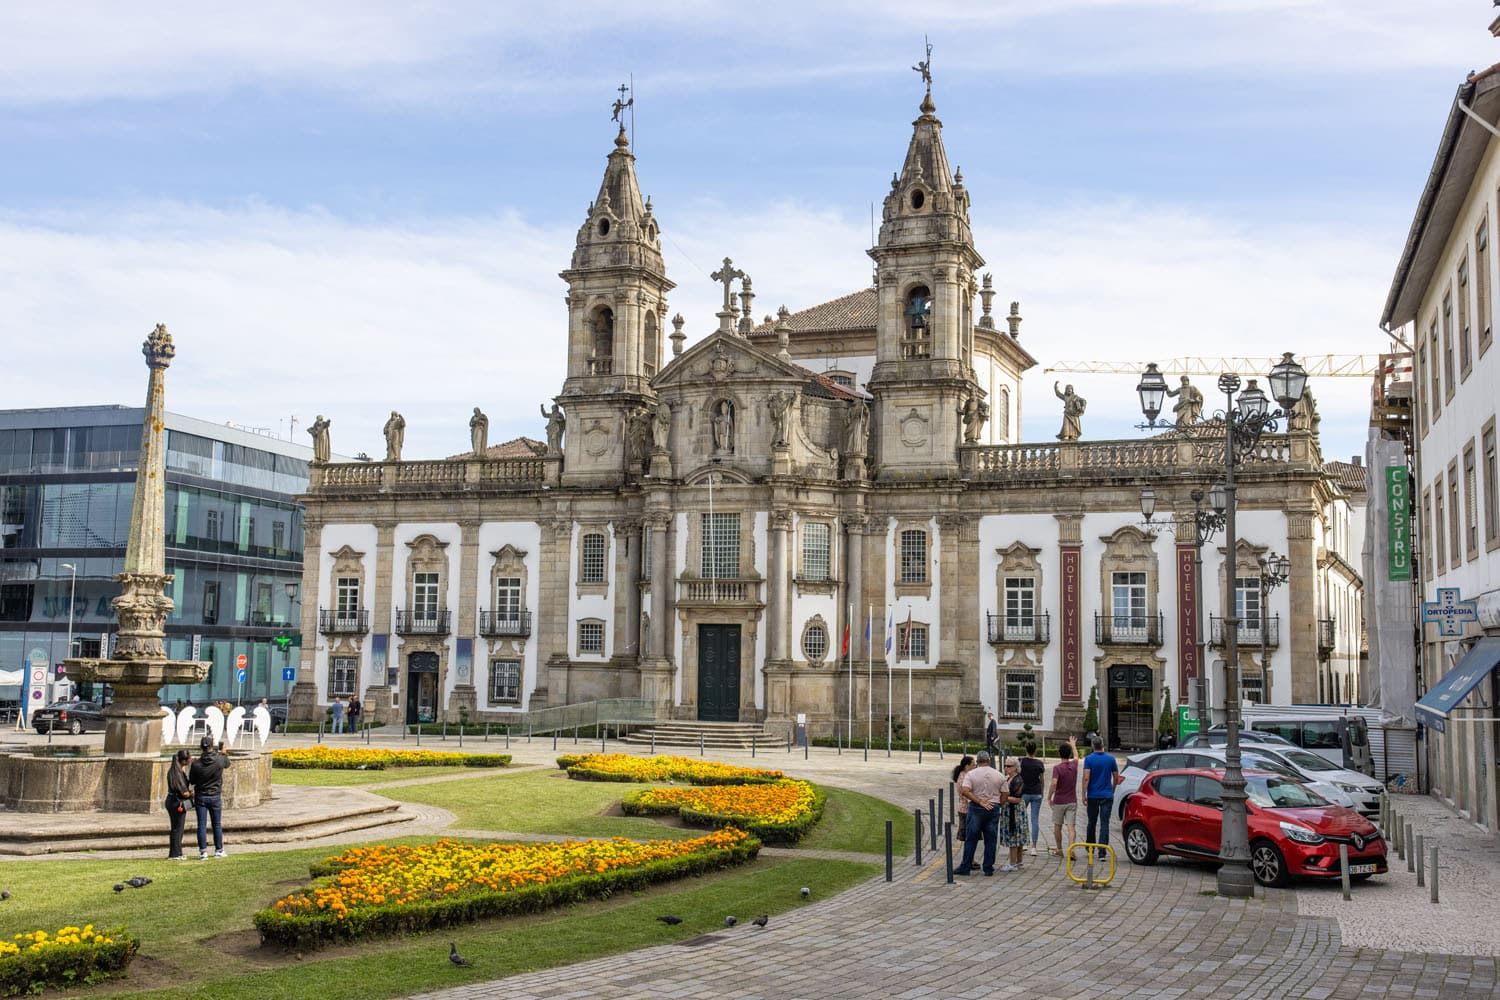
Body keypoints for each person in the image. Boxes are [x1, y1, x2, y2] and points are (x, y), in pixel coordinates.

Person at [954, 751, 1005, 877]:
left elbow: (965, 791)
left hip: (976, 808)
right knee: (991, 840)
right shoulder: (999, 775)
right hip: (993, 807)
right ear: (989, 760)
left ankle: (965, 866)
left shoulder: (971, 774)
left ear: (977, 761)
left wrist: (979, 801)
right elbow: (1005, 793)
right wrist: (999, 804)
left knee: (971, 839)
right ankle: (988, 867)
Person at [189, 736, 231, 860]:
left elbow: (192, 780)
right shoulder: (219, 760)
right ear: (213, 746)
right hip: (215, 795)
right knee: (216, 824)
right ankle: (219, 849)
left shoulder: (196, 764)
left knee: (201, 825)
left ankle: (203, 852)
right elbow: (227, 764)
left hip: (201, 796)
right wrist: (224, 753)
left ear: (201, 747)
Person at [1081, 736, 1121, 851]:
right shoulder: (1111, 759)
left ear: (1093, 746)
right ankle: (1102, 852)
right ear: (1103, 745)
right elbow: (1116, 777)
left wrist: (1084, 794)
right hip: (1106, 795)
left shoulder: (1089, 759)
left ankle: (1090, 848)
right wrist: (1112, 790)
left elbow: (1086, 778)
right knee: (1104, 823)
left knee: (1091, 822)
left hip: (1093, 795)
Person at [1049, 740, 1079, 857]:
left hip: (1059, 801)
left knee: (1057, 826)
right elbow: (1076, 756)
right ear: (1069, 754)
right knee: (1071, 827)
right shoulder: (1074, 765)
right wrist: (1073, 745)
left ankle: (1059, 849)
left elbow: (1054, 783)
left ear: (1059, 753)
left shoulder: (1057, 768)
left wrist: (1049, 796)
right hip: (1072, 800)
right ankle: (1071, 849)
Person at [998, 758, 1027, 872]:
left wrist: (1003, 797)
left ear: (1015, 767)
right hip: (1010, 810)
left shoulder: (1018, 780)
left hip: (1015, 811)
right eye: (1005, 765)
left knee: (1015, 835)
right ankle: (1018, 862)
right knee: (1017, 836)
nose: (1006, 768)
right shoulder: (1009, 778)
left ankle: (1013, 863)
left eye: (1009, 766)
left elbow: (1017, 799)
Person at [1018, 742, 1046, 857]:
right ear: (1035, 750)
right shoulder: (1039, 763)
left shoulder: (1021, 761)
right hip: (1036, 793)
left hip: (1024, 793)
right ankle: (1034, 847)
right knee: (1035, 819)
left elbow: (1018, 777)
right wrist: (1042, 792)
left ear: (1026, 749)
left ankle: (1023, 844)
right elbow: (1042, 780)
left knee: (1022, 818)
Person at [165, 748, 192, 861]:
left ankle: (178, 852)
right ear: (184, 760)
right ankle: (174, 854)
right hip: (176, 803)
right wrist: (193, 794)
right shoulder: (177, 774)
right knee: (177, 828)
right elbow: (184, 793)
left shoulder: (175, 771)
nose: (191, 760)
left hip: (172, 801)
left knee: (177, 828)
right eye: (189, 758)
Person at [950, 755, 975, 843]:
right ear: (967, 766)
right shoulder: (964, 778)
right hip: (966, 809)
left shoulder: (964, 775)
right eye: (973, 765)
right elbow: (967, 795)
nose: (975, 766)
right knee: (967, 836)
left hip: (964, 808)